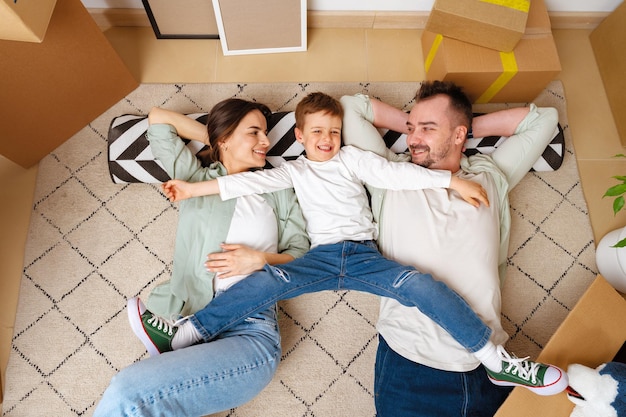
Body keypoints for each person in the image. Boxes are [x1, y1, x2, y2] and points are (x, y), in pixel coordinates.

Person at [128, 91, 568, 396]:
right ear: (299, 137)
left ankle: (494, 358)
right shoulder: (292, 172)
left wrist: (449, 179)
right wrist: (190, 191)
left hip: (363, 255)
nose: (327, 141)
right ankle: (186, 334)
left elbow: (396, 174)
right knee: (264, 281)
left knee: (421, 285)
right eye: (317, 133)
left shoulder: (354, 159)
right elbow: (240, 186)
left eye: (333, 132)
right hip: (319, 258)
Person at [339, 81, 562, 416]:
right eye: (411, 128)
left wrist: (469, 124)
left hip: (486, 363)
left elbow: (544, 119)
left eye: (428, 128)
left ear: (460, 135)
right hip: (410, 361)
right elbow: (350, 107)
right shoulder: (391, 176)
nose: (413, 139)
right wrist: (419, 125)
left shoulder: (491, 175)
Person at [93, 98, 310, 417]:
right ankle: (182, 336)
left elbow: (302, 258)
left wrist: (258, 260)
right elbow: (159, 120)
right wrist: (216, 137)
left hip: (250, 330)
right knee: (131, 397)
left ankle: (180, 339)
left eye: (265, 133)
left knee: (127, 393)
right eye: (254, 132)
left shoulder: (277, 189)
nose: (266, 142)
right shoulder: (197, 180)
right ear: (224, 138)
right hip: (186, 313)